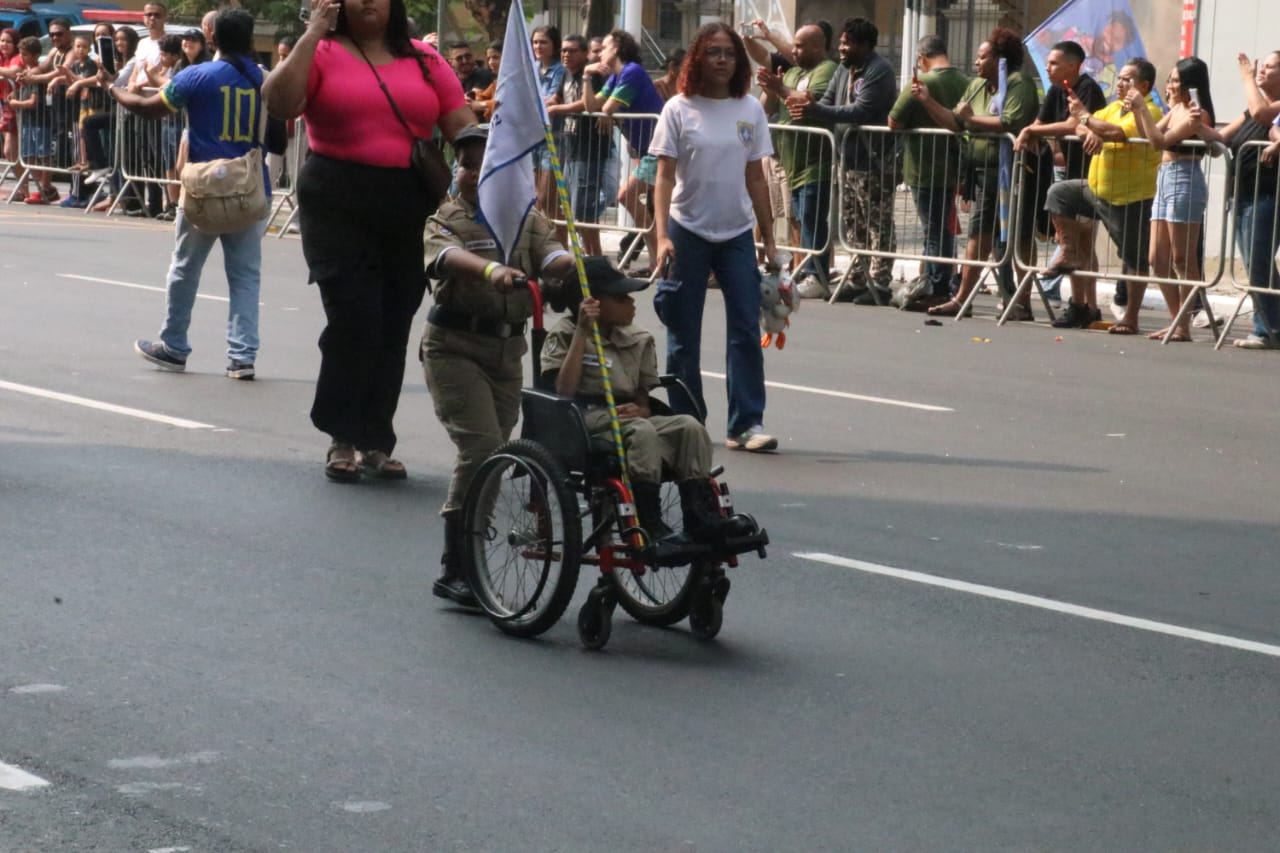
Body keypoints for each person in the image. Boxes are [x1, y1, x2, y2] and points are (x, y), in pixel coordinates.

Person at [264, 0, 474, 481]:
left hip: (408, 199)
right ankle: (342, 434)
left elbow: (460, 124)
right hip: (337, 198)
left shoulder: (425, 59)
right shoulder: (320, 51)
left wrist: (491, 156)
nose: (367, 2)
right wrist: (312, 33)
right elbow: (279, 102)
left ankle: (376, 439)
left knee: (393, 320)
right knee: (354, 315)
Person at [421, 126, 574, 606]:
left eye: (486, 165)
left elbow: (553, 255)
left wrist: (567, 265)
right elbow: (444, 257)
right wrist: (493, 270)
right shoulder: (446, 219)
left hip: (508, 353)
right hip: (455, 348)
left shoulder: (527, 220)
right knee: (482, 448)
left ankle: (471, 550)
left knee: (498, 455)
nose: (474, 174)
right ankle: (456, 566)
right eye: (467, 165)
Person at [541, 256, 754, 555]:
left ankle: (701, 517)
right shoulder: (565, 334)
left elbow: (642, 399)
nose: (631, 302)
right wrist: (582, 332)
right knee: (642, 432)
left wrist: (642, 409)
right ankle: (648, 522)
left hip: (630, 417)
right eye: (621, 297)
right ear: (594, 303)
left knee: (689, 426)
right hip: (584, 419)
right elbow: (563, 390)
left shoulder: (638, 339)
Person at [108, 9, 269, 380]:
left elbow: (149, 109)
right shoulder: (266, 80)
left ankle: (174, 345)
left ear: (212, 39)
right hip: (249, 186)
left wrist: (114, 89)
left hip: (203, 189)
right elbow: (276, 136)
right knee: (245, 275)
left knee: (185, 268)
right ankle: (242, 357)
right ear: (249, 39)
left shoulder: (196, 75)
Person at [650, 22, 779, 453]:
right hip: (687, 230)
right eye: (713, 52)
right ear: (697, 59)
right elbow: (664, 177)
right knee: (683, 333)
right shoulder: (679, 109)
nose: (722, 60)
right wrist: (662, 236)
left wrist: (771, 240)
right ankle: (686, 424)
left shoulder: (750, 109)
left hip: (737, 233)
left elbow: (756, 178)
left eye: (729, 53)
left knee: (745, 327)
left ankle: (745, 424)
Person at [913, 29, 1041, 320]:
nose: (976, 63)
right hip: (982, 174)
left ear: (1000, 60)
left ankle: (1011, 301)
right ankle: (977, 299)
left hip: (1011, 172)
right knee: (985, 237)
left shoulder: (1018, 83)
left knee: (1009, 238)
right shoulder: (978, 86)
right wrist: (927, 100)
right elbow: (957, 122)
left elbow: (1011, 121)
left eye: (982, 57)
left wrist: (972, 119)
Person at [788, 17, 899, 305]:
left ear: (864, 45)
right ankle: (858, 278)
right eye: (841, 42)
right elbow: (827, 101)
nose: (841, 48)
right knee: (854, 225)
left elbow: (859, 110)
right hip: (848, 162)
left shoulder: (879, 72)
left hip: (874, 162)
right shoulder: (844, 70)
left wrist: (817, 111)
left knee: (878, 225)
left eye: (847, 43)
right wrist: (809, 107)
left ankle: (880, 283)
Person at [1053, 57, 1163, 335]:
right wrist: (1089, 130)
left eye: (1128, 79)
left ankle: (1131, 317)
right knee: (1060, 194)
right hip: (1096, 189)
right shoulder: (1113, 107)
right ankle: (1069, 250)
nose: (1120, 83)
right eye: (1120, 78)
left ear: (1144, 85)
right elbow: (1082, 126)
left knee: (1134, 259)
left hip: (1129, 197)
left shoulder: (1150, 112)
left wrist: (1088, 121)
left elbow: (1117, 133)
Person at [1126, 57, 1223, 342]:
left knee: (1182, 257)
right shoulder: (1176, 108)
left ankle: (1183, 325)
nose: (1171, 85)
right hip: (1165, 176)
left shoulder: (1197, 113)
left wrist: (1143, 107)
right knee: (1157, 257)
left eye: (1177, 80)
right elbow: (1150, 134)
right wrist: (1136, 111)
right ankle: (1177, 318)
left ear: (1191, 83)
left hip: (1185, 178)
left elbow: (1160, 141)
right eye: (1170, 80)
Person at [1016, 40, 1108, 328]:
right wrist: (1030, 131)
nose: (1047, 67)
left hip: (1092, 173)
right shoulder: (1055, 89)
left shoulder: (1087, 89)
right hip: (1070, 176)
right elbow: (1040, 121)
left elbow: (1072, 124)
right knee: (1076, 245)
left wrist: (1032, 130)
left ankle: (1083, 305)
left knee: (1081, 243)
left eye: (1054, 63)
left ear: (1072, 65)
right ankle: (1084, 305)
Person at [888, 35, 970, 308]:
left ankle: (937, 286)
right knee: (943, 228)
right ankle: (938, 281)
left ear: (922, 58)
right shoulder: (965, 82)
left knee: (934, 231)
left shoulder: (923, 83)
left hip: (925, 167)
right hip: (952, 166)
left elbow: (893, 121)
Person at [757, 25, 838, 300]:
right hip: (790, 163)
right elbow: (767, 109)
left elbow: (808, 103)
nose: (794, 50)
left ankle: (817, 274)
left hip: (816, 161)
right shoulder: (792, 72)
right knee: (800, 218)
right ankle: (805, 272)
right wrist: (772, 89)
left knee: (813, 219)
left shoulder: (826, 70)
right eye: (794, 45)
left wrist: (782, 89)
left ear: (818, 46)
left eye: (801, 46)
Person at [584, 30, 666, 272]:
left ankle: (659, 258)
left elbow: (608, 107)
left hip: (659, 147)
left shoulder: (632, 71)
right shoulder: (615, 77)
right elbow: (592, 107)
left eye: (604, 47)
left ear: (617, 48)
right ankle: (658, 260)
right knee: (648, 203)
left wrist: (609, 114)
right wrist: (587, 76)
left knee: (626, 196)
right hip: (646, 148)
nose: (599, 53)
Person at [1220, 51, 1280, 348]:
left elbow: (1262, 115)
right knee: (1254, 263)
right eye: (1262, 65)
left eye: (1270, 66)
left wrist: (1245, 78)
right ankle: (1269, 325)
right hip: (1244, 193)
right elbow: (1224, 137)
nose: (1261, 70)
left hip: (1268, 193)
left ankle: (1268, 329)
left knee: (1259, 263)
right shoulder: (1252, 108)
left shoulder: (1267, 108)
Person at [547, 34, 606, 256]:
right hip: (568, 149)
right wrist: (547, 102)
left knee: (585, 210)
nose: (566, 55)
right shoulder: (565, 75)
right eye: (563, 50)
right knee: (573, 209)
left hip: (589, 149)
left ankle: (597, 258)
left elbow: (587, 104)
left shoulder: (592, 75)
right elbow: (557, 97)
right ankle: (589, 257)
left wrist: (555, 110)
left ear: (584, 53)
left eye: (572, 51)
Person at [466, 39, 500, 120]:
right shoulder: (496, 82)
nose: (491, 62)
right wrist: (472, 97)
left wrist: (481, 105)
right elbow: (482, 96)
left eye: (495, 57)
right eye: (488, 58)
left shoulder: (515, 81)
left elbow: (502, 103)